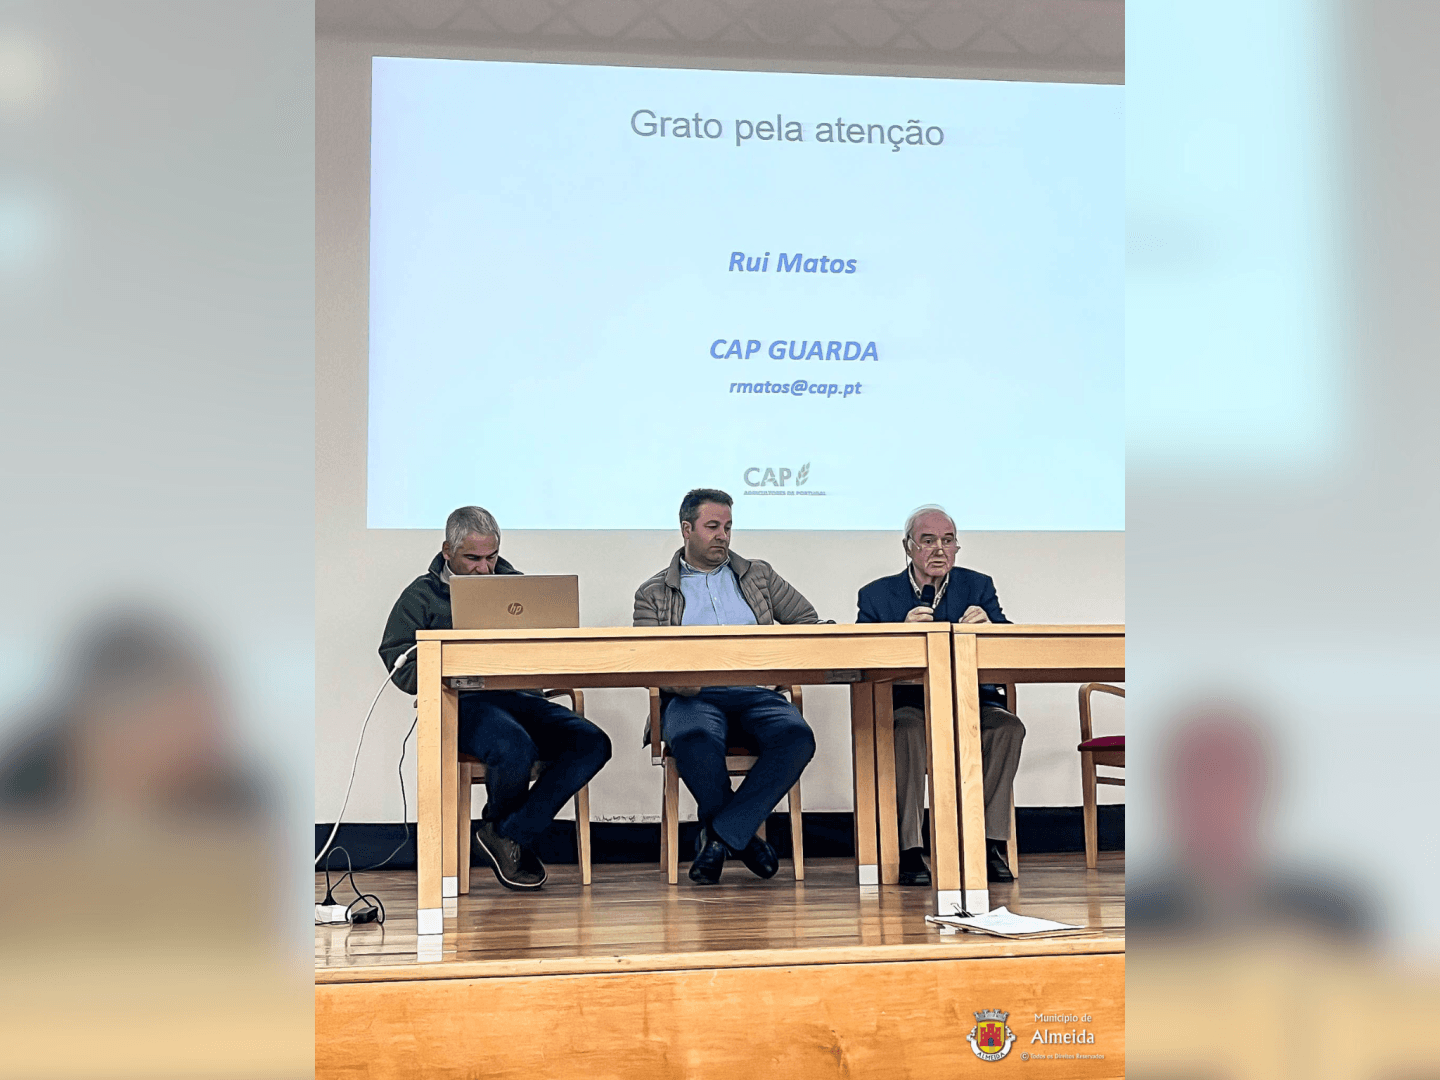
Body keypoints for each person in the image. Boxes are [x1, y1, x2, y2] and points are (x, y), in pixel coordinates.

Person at [379, 505, 611, 891]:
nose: (483, 569)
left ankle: (506, 833)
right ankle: (510, 837)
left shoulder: (516, 589)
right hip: (463, 701)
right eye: (472, 558)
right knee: (513, 746)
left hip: (521, 696)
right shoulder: (421, 595)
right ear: (447, 551)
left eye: (491, 558)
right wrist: (444, 673)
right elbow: (396, 658)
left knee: (592, 742)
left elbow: (547, 650)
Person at [633, 488, 819, 885]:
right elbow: (648, 662)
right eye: (713, 526)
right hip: (693, 695)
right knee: (694, 738)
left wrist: (780, 671)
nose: (723, 536)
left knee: (797, 737)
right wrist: (683, 684)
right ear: (687, 529)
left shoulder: (758, 575)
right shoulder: (653, 592)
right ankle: (743, 838)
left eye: (728, 527)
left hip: (755, 692)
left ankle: (718, 837)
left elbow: (807, 622)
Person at [856, 505, 1025, 885]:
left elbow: (1011, 644)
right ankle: (909, 849)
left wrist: (991, 628)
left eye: (948, 541)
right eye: (928, 540)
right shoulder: (877, 594)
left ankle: (987, 844)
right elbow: (862, 659)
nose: (939, 550)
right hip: (909, 705)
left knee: (1008, 728)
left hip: (971, 702)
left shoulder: (977, 586)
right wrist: (899, 634)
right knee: (907, 731)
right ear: (908, 546)